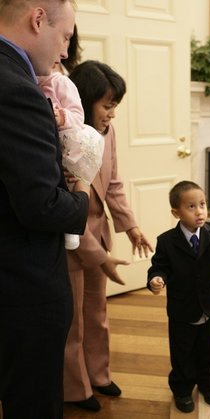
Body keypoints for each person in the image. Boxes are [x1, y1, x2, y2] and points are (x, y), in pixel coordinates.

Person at [0, 1, 90, 418]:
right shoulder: (17, 90)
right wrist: (83, 193)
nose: (66, 53)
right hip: (21, 291)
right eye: (66, 37)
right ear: (38, 19)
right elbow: (45, 207)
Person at [63, 60, 153, 411]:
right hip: (70, 241)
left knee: (96, 312)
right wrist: (98, 255)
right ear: (86, 101)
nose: (113, 114)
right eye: (108, 105)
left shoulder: (107, 133)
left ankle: (99, 375)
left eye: (115, 105)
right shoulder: (63, 139)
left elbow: (112, 184)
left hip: (99, 234)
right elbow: (67, 204)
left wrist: (130, 225)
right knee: (72, 319)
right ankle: (74, 387)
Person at [147, 180, 210, 413]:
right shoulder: (167, 241)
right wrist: (156, 279)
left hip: (209, 306)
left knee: (208, 349)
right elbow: (159, 266)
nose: (199, 211)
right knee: (182, 353)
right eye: (191, 207)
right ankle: (182, 389)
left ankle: (208, 384)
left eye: (202, 204)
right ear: (176, 212)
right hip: (182, 310)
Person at [38, 25, 104, 250]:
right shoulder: (33, 80)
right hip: (49, 149)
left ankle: (72, 229)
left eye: (68, 39)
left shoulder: (62, 82)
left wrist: (60, 117)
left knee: (74, 182)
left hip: (69, 143)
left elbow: (77, 115)